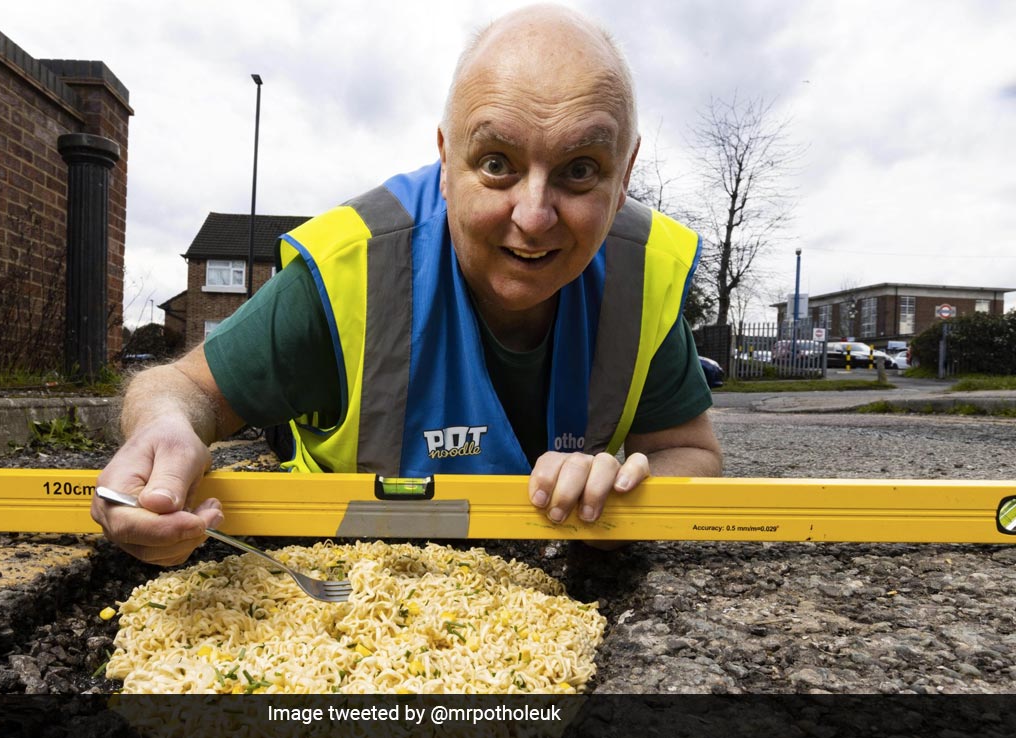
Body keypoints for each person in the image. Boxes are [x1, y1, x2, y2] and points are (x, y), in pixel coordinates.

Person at [93, 4, 723, 565]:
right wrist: (164, 431)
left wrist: (622, 494)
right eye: (496, 164)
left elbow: (691, 453)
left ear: (626, 172)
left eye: (580, 170)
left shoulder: (645, 272)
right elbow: (178, 388)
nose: (533, 216)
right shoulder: (349, 269)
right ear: (446, 162)